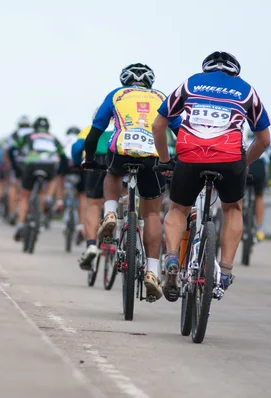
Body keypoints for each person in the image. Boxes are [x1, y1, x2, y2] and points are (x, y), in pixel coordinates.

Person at [152, 51, 271, 301]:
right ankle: (225, 271)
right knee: (233, 209)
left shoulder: (190, 83)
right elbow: (264, 140)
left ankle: (173, 257)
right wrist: (243, 164)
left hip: (189, 156)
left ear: (206, 69)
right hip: (229, 159)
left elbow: (159, 124)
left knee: (177, 209)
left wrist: (165, 161)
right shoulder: (247, 91)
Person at [82, 63, 182, 300]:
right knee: (151, 215)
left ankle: (110, 214)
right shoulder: (162, 97)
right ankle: (151, 271)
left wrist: (88, 159)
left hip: (122, 148)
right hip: (152, 154)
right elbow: (180, 130)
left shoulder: (117, 94)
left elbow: (96, 129)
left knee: (113, 174)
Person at [13, 117, 68, 241]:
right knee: (53, 179)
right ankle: (48, 197)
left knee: (25, 196)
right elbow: (63, 156)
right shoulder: (53, 138)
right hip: (49, 164)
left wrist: (17, 165)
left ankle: (20, 224)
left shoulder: (28, 136)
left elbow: (14, 148)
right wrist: (62, 171)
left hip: (32, 163)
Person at [72, 124, 113, 269]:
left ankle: (91, 246)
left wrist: (78, 163)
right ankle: (122, 232)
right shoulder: (124, 123)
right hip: (118, 158)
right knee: (121, 198)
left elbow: (76, 148)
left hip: (98, 159)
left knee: (94, 205)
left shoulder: (91, 128)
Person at [245, 131, 271, 241]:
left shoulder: (244, 142)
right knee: (259, 196)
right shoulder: (268, 146)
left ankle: (239, 219)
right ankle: (259, 228)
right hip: (260, 170)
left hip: (246, 168)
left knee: (239, 194)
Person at [7, 116, 34, 225]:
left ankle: (12, 212)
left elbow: (9, 150)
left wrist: (10, 165)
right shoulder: (33, 133)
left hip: (18, 162)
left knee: (14, 186)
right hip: (32, 162)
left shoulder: (14, 134)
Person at [62, 126, 86, 244]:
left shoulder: (65, 140)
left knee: (59, 178)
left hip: (66, 165)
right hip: (81, 166)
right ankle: (81, 225)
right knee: (82, 195)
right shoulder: (83, 133)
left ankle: (59, 200)